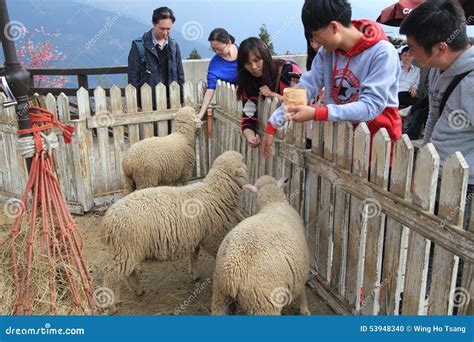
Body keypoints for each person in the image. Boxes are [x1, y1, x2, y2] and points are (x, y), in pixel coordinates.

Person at [261, 0, 402, 160]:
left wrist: (316, 113)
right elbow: (306, 85)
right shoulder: (327, 53)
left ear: (334, 27)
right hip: (341, 144)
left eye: (315, 35)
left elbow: (371, 106)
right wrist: (274, 122)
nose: (314, 42)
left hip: (378, 152)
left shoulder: (382, 53)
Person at [400, 0, 473, 228]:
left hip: (465, 186)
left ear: (441, 47)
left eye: (413, 48)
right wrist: (423, 165)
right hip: (436, 176)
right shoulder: (436, 70)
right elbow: (433, 116)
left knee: (451, 252)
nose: (410, 54)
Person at [237, 37, 302, 148]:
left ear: (265, 55)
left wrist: (273, 95)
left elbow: (300, 104)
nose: (254, 67)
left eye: (257, 60)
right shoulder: (248, 82)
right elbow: (248, 117)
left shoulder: (289, 70)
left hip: (298, 139)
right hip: (272, 143)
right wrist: (250, 137)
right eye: (248, 63)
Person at [127, 7, 185, 107]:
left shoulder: (174, 46)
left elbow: (180, 75)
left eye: (168, 29)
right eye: (162, 28)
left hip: (171, 102)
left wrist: (182, 99)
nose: (165, 33)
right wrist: (137, 104)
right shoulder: (139, 46)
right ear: (154, 24)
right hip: (148, 103)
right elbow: (133, 78)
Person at [196, 28, 238, 121]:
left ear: (229, 43)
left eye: (220, 49)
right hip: (231, 105)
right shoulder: (215, 64)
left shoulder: (243, 51)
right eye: (214, 50)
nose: (217, 52)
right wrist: (201, 112)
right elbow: (210, 88)